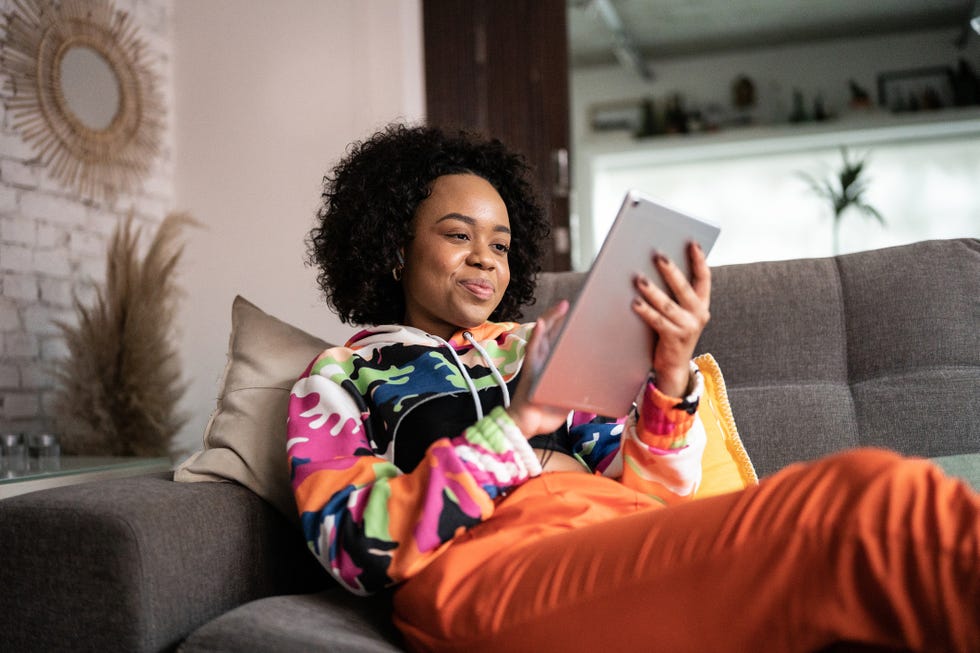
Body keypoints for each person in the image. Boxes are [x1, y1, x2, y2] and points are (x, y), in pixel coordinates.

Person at [287, 124, 979, 652]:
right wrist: (518, 432)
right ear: (392, 243)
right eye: (457, 234)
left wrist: (672, 370)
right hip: (490, 572)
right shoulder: (344, 374)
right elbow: (354, 540)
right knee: (867, 502)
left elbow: (653, 490)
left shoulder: (539, 342)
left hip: (622, 544)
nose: (484, 259)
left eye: (500, 244)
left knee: (870, 557)